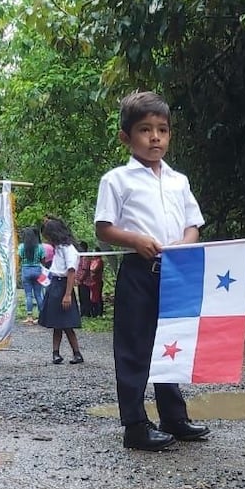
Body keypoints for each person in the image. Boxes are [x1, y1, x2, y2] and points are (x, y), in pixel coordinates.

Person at [95, 90, 210, 452]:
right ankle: (135, 424)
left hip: (175, 272)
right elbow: (104, 227)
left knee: (171, 344)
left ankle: (173, 417)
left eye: (162, 129)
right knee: (135, 347)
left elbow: (194, 224)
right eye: (145, 130)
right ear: (125, 137)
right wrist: (136, 240)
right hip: (138, 271)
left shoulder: (179, 181)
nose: (155, 137)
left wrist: (185, 242)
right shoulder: (117, 180)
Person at [38, 216, 84, 364]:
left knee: (67, 323)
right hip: (55, 284)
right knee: (56, 323)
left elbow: (71, 271)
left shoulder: (68, 249)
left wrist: (68, 294)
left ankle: (77, 353)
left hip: (64, 285)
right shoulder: (58, 248)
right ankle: (55, 353)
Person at [18, 226, 45, 325]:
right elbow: (43, 261)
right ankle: (42, 316)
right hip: (38, 270)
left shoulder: (21, 247)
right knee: (39, 294)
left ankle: (29, 317)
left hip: (26, 271)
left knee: (28, 295)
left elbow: (19, 259)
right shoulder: (40, 247)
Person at [77, 250, 105, 317]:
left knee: (96, 297)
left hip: (96, 281)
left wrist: (81, 279)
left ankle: (97, 312)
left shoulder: (98, 261)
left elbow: (93, 269)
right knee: (89, 298)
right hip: (92, 282)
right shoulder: (92, 260)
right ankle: (88, 312)